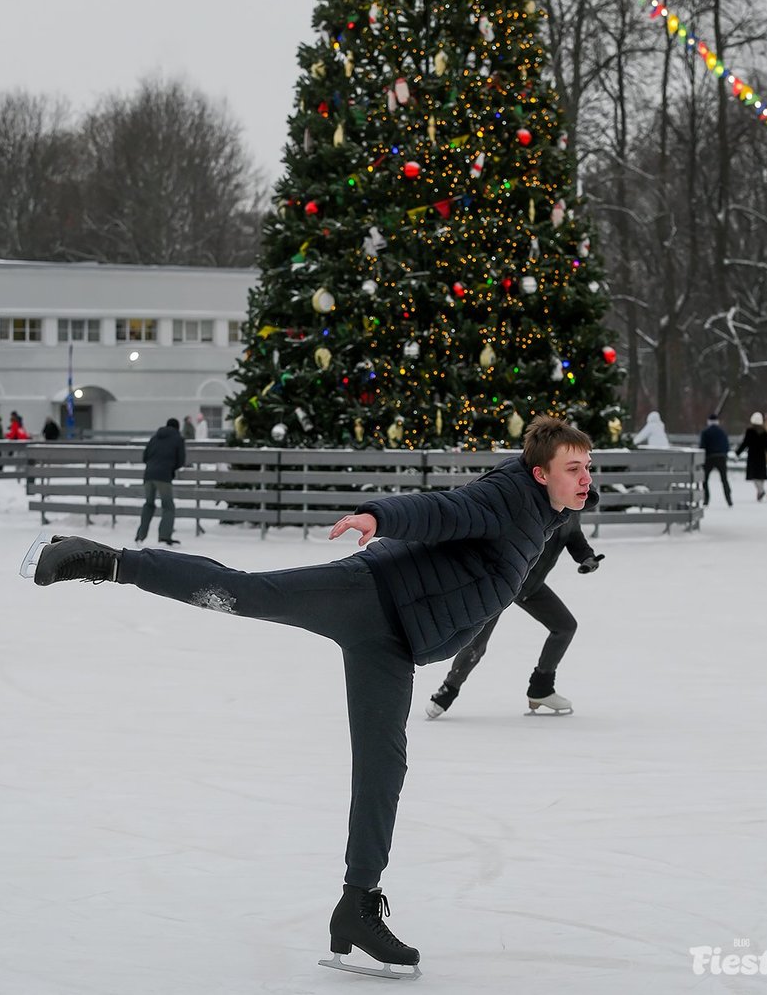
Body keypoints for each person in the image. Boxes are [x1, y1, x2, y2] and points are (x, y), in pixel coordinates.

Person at [31, 415, 595, 976]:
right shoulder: (508, 497)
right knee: (245, 592)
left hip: (397, 641)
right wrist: (381, 515)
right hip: (369, 595)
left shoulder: (543, 516)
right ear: (541, 473)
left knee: (383, 768)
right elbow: (444, 509)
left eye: (587, 466)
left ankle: (356, 907)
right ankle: (103, 560)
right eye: (574, 468)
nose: (585, 477)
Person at [426, 509, 603, 719]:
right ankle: (447, 691)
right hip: (503, 582)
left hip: (531, 586)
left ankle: (541, 688)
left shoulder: (572, 512)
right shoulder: (539, 506)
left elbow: (574, 537)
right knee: (477, 642)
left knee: (564, 626)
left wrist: (587, 557)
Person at [135, 417, 186, 546]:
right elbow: (181, 460)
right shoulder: (178, 439)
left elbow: (145, 456)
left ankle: (140, 536)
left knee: (149, 504)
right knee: (168, 506)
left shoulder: (154, 438)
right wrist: (171, 468)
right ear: (177, 428)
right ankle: (164, 536)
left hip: (148, 475)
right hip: (164, 476)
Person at [735, 412, 767, 502]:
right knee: (761, 475)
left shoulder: (750, 431)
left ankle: (760, 490)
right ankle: (760, 491)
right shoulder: (764, 432)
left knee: (754, 475)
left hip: (752, 456)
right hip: (761, 456)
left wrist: (738, 453)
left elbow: (745, 443)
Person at [699, 412, 732, 508]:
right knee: (724, 479)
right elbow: (726, 446)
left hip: (709, 457)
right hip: (721, 457)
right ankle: (728, 499)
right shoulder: (722, 432)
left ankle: (706, 499)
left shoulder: (705, 432)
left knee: (705, 480)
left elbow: (702, 446)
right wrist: (725, 455)